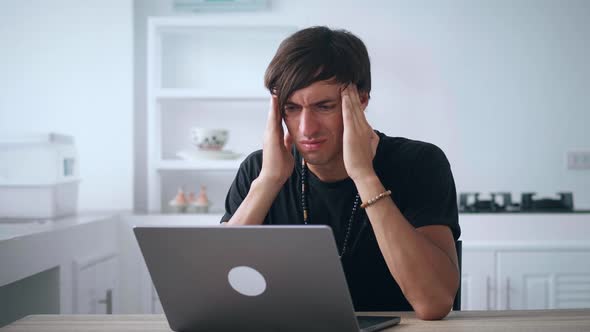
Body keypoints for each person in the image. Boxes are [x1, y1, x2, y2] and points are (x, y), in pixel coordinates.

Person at [220, 26, 461, 320]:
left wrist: (364, 175)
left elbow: (433, 303)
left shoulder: (419, 163)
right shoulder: (260, 170)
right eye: (292, 108)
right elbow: (215, 295)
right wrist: (268, 182)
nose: (307, 128)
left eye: (324, 106)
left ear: (361, 99)